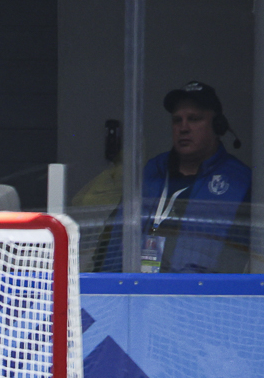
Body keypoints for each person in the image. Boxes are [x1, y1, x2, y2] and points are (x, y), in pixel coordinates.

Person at [97, 82, 252, 273]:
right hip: (139, 291)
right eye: (177, 120)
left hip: (201, 297)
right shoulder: (151, 172)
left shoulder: (239, 181)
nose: (183, 128)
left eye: (194, 119)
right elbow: (117, 241)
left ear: (218, 126)